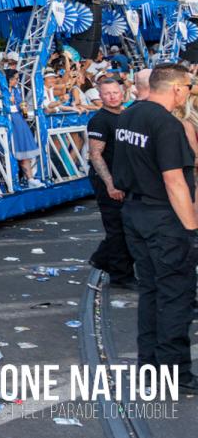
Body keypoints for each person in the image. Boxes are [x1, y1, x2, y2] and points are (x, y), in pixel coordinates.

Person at [113, 63, 198, 395]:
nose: (189, 93)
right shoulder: (167, 124)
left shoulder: (128, 116)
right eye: (188, 87)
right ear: (176, 88)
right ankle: (175, 372)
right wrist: (191, 228)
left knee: (150, 292)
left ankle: (149, 366)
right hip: (164, 217)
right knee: (175, 295)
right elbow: (174, 180)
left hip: (135, 213)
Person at [85, 76, 136, 287]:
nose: (112, 97)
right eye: (107, 93)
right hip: (108, 179)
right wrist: (110, 183)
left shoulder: (127, 115)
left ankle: (101, 258)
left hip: (125, 178)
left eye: (115, 92)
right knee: (117, 228)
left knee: (128, 225)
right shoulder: (99, 120)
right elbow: (95, 154)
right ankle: (120, 276)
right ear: (100, 96)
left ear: (122, 93)